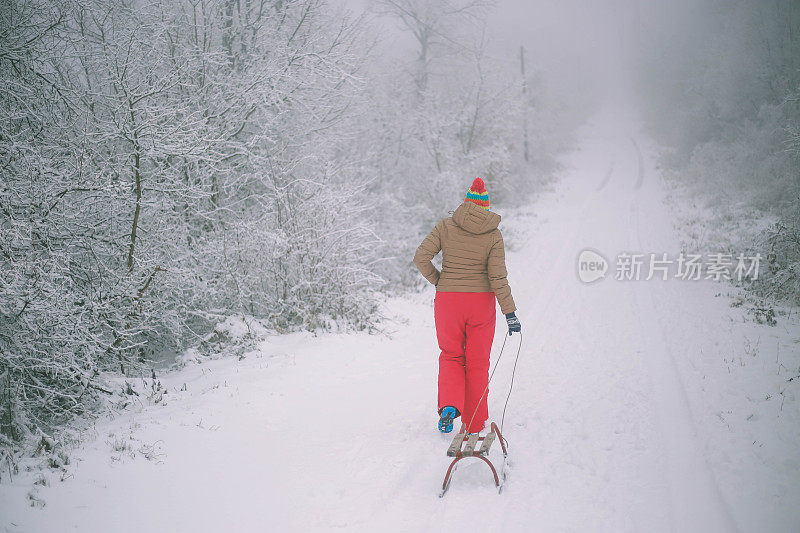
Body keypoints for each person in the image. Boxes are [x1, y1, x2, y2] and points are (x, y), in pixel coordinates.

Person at [414, 178, 521, 434]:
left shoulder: (445, 226)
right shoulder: (493, 235)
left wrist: (439, 281)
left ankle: (450, 406)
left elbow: (420, 257)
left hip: (448, 302)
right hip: (480, 303)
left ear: (465, 203)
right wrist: (510, 312)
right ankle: (474, 423)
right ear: (485, 207)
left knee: (451, 355)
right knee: (477, 362)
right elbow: (497, 277)